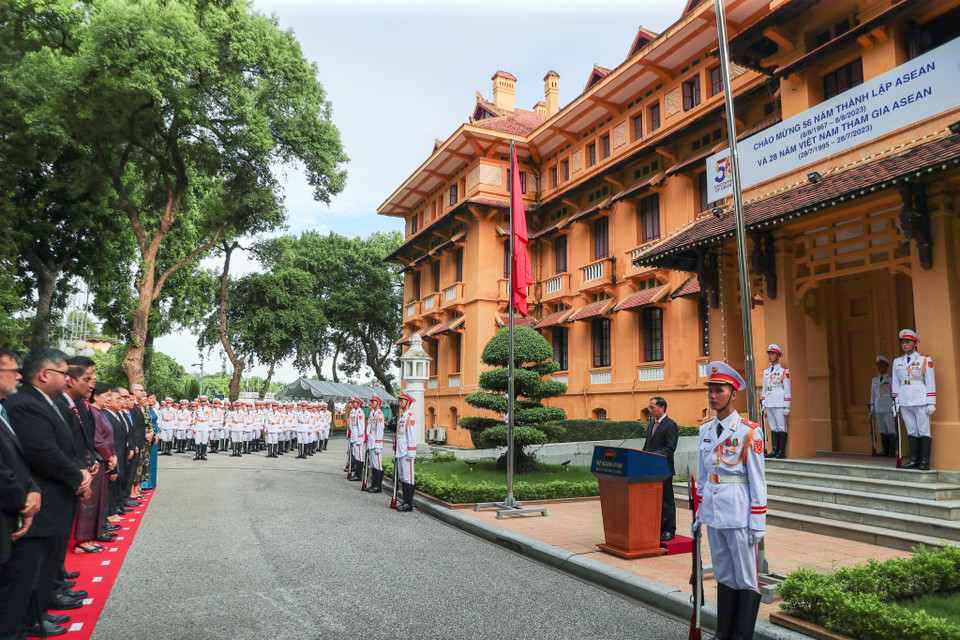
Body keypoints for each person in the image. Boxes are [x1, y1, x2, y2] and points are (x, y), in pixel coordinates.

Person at [4, 349, 93, 637]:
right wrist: (77, 477)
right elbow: (42, 451)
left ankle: (36, 617)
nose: (68, 379)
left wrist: (79, 472)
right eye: (64, 373)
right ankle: (28, 621)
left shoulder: (46, 402)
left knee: (41, 567)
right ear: (45, 374)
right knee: (26, 574)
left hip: (55, 494)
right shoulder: (26, 404)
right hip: (43, 497)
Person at [692, 361, 766, 640]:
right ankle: (724, 632)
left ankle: (742, 636)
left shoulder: (749, 431)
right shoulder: (705, 430)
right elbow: (702, 476)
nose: (713, 395)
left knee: (746, 576)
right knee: (723, 572)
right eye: (710, 390)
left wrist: (758, 520)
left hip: (738, 511)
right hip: (713, 512)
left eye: (719, 390)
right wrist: (698, 514)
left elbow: (758, 480)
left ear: (733, 394)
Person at [0, 349, 44, 637]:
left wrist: (33, 490)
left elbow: (18, 458)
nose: (18, 375)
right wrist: (23, 501)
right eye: (12, 370)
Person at [893, 329, 936, 470]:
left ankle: (924, 462)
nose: (904, 345)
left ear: (914, 343)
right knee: (911, 430)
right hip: (905, 400)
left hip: (920, 399)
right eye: (902, 342)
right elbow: (896, 383)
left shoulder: (924, 360)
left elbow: (930, 381)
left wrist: (931, 402)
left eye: (907, 342)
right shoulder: (897, 362)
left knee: (924, 430)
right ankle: (914, 460)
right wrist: (895, 401)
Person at [641, 396, 678, 541]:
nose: (649, 410)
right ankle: (658, 527)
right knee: (653, 500)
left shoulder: (670, 425)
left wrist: (652, 455)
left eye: (652, 407)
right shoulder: (651, 425)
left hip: (664, 469)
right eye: (649, 407)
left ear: (662, 408)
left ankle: (670, 529)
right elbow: (647, 445)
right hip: (650, 468)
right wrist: (643, 456)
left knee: (666, 500)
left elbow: (669, 448)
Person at [760, 344, 790, 459]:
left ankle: (781, 452)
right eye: (769, 354)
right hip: (769, 401)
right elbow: (764, 388)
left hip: (779, 402)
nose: (769, 356)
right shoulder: (766, 372)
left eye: (772, 354)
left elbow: (787, 389)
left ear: (778, 356)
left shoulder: (783, 371)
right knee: (773, 426)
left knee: (781, 426)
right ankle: (774, 450)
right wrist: (763, 403)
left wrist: (787, 405)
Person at [394, 393, 417, 513]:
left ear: (407, 402)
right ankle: (404, 501)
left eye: (401, 400)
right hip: (401, 450)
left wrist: (411, 453)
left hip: (407, 452)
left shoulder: (410, 417)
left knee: (408, 478)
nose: (399, 402)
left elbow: (412, 436)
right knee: (403, 477)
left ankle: (409, 504)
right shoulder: (403, 417)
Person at [869, 356, 896, 458]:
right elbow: (873, 395)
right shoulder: (874, 380)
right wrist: (872, 407)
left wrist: (894, 405)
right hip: (878, 406)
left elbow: (893, 393)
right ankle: (885, 450)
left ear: (886, 367)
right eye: (878, 366)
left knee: (891, 429)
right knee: (882, 429)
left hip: (888, 406)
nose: (879, 368)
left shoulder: (890, 379)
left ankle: (891, 452)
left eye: (881, 365)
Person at [364, 395, 386, 493]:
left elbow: (380, 431)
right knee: (373, 464)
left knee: (377, 465)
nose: (371, 403)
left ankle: (378, 486)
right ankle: (373, 484)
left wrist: (378, 444)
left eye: (373, 402)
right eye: (371, 401)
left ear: (378, 403)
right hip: (371, 442)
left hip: (376, 443)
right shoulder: (373, 414)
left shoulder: (379, 415)